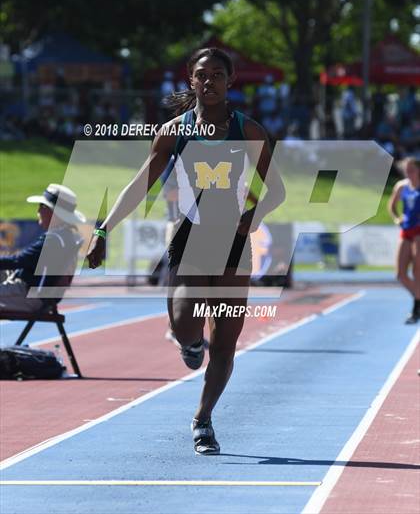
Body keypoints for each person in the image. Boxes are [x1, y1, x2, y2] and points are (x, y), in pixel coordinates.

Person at [87, 47, 284, 455]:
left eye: (217, 74)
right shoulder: (174, 131)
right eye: (201, 74)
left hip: (232, 243)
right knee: (184, 322)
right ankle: (190, 344)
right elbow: (139, 185)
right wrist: (103, 229)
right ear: (190, 81)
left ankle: (203, 419)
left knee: (226, 343)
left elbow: (277, 190)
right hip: (189, 237)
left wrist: (255, 215)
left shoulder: (248, 131)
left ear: (231, 82)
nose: (209, 80)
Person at [0, 184, 85, 312]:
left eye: (42, 206)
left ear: (53, 213)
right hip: (36, 295)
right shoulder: (65, 236)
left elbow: (17, 261)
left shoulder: (54, 240)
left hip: (27, 297)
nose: (38, 210)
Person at [388, 157, 420, 324]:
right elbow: (391, 205)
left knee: (417, 272)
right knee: (400, 274)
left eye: (412, 169)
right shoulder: (401, 186)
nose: (409, 172)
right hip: (406, 229)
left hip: (419, 231)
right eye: (407, 169)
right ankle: (418, 300)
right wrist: (396, 218)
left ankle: (415, 309)